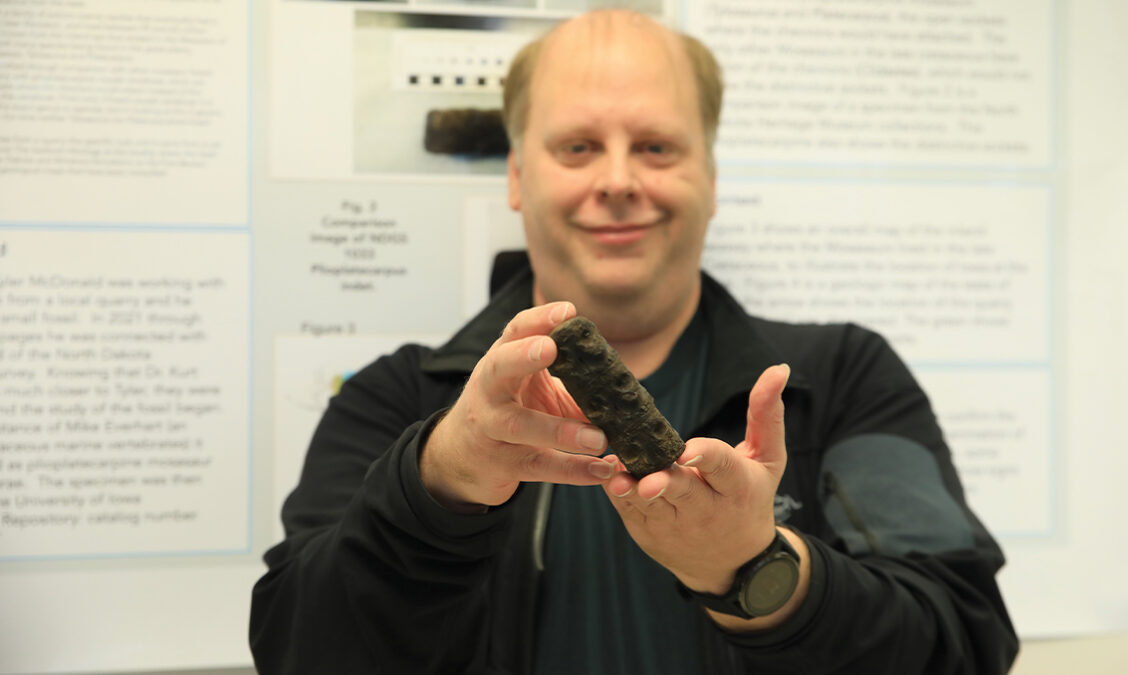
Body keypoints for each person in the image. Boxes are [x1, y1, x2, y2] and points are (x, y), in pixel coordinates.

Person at [250, 9, 1018, 674]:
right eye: (577, 147)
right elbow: (296, 650)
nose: (618, 179)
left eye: (656, 147)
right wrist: (436, 486)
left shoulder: (842, 378)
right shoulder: (398, 404)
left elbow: (969, 642)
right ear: (518, 176)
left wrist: (754, 566)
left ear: (710, 177)